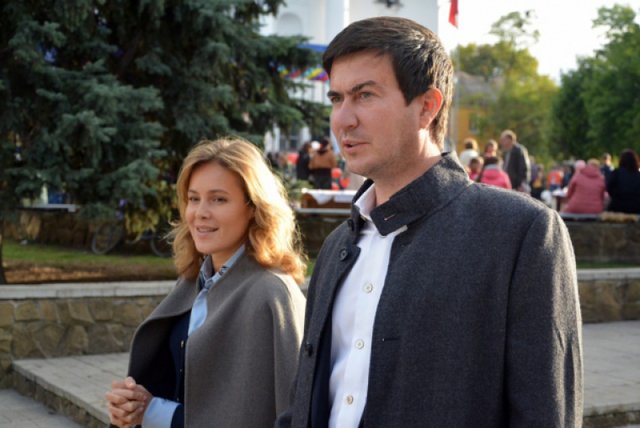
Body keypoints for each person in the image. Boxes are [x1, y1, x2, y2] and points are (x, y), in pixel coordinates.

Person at [276, 16, 582, 428]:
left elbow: (545, 413)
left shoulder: (521, 233)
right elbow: (307, 400)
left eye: (364, 95)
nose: (342, 119)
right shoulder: (337, 246)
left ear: (426, 106)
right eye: (336, 98)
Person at [106, 137, 306, 427]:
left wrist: (152, 411)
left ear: (254, 207)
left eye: (218, 199)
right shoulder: (193, 282)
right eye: (193, 198)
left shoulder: (272, 294)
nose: (200, 212)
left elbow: (290, 412)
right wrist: (133, 406)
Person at [606, 148, 640, 214]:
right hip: (636, 207)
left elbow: (609, 188)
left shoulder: (616, 173)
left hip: (618, 206)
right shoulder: (638, 175)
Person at [499, 129, 531, 193]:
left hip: (518, 185)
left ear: (510, 139)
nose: (502, 142)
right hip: (509, 183)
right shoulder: (505, 152)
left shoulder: (519, 150)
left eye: (503, 140)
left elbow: (524, 167)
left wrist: (521, 183)